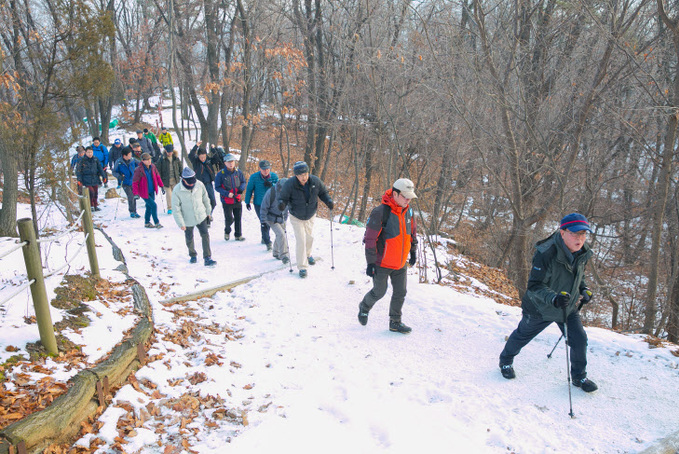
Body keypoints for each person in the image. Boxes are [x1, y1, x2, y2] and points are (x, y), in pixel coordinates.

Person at [498, 213, 597, 393]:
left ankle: (579, 376)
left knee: (579, 339)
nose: (580, 239)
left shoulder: (583, 252)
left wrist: (583, 289)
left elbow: (578, 276)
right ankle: (505, 361)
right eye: (575, 234)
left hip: (567, 305)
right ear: (562, 233)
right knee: (522, 335)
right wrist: (553, 298)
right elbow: (534, 286)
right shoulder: (546, 253)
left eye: (583, 234)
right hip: (540, 307)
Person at [358, 178, 418, 334]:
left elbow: (412, 233)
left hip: (400, 263)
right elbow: (370, 239)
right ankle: (364, 307)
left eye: (410, 197)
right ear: (396, 194)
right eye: (405, 196)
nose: (408, 200)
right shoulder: (380, 212)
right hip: (382, 263)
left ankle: (395, 322)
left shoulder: (409, 212)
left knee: (400, 292)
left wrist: (413, 251)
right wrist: (371, 263)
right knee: (379, 291)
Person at [277, 161, 333, 278]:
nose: (304, 177)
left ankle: (308, 254)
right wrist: (282, 204)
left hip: (310, 214)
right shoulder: (290, 184)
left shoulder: (315, 181)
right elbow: (283, 197)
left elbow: (323, 192)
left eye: (306, 174)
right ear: (296, 175)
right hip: (296, 216)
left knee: (309, 237)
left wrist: (328, 201)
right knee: (301, 240)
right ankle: (302, 267)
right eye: (301, 175)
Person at [172, 167, 216, 267]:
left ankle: (207, 257)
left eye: (193, 181)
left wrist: (208, 212)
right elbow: (176, 209)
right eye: (189, 182)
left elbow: (205, 199)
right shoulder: (177, 190)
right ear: (183, 180)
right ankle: (192, 254)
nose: (192, 184)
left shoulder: (199, 185)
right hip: (187, 219)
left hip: (201, 216)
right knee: (189, 237)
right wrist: (181, 223)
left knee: (205, 235)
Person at [245, 160, 279, 250]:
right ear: (260, 169)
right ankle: (267, 241)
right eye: (263, 169)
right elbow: (249, 189)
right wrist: (247, 202)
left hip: (271, 203)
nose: (266, 171)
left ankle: (264, 238)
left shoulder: (274, 176)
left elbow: (279, 188)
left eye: (267, 169)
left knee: (269, 221)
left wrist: (272, 184)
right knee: (264, 221)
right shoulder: (254, 177)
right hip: (259, 203)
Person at [214, 153, 246, 241]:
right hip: (226, 201)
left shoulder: (238, 172)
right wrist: (226, 193)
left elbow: (243, 181)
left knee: (238, 218)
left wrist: (241, 189)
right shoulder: (221, 174)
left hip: (237, 199)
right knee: (229, 218)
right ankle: (227, 231)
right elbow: (217, 187)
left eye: (232, 161)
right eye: (229, 162)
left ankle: (238, 235)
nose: (231, 164)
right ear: (225, 163)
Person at [260, 178, 290, 264]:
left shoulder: (288, 193)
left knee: (281, 234)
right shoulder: (271, 193)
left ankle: (276, 252)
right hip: (271, 218)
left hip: (282, 218)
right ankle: (284, 255)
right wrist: (263, 221)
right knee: (281, 234)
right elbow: (263, 207)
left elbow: (289, 206)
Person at [132, 152, 165, 228]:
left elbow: (157, 177)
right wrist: (136, 193)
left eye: (150, 159)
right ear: (142, 161)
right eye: (147, 160)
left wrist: (161, 186)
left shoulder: (153, 167)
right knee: (153, 205)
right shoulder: (138, 170)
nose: (149, 161)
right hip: (144, 192)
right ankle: (157, 222)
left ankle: (147, 222)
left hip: (152, 190)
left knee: (149, 206)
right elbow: (135, 182)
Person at [76, 146, 107, 211]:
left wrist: (104, 176)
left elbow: (100, 168)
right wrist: (79, 179)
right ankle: (91, 205)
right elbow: (78, 170)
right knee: (91, 192)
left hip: (95, 178)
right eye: (88, 152)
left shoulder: (95, 159)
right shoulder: (82, 160)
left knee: (95, 193)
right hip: (86, 179)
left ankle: (95, 205)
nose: (90, 154)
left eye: (91, 152)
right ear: (85, 153)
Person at [189, 141, 216, 212]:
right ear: (198, 156)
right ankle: (203, 217)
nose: (203, 159)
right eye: (201, 157)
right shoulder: (195, 161)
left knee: (213, 202)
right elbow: (190, 155)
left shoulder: (209, 161)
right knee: (200, 202)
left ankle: (209, 214)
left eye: (204, 157)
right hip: (198, 184)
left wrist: (213, 149)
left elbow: (217, 158)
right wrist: (196, 146)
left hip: (208, 184)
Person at [113, 148, 140, 218]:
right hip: (125, 182)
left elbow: (140, 164)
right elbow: (114, 172)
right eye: (129, 154)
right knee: (130, 196)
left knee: (134, 196)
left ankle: (135, 211)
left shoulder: (133, 160)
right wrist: (119, 176)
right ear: (124, 156)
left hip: (133, 181)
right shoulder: (119, 162)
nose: (130, 155)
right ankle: (131, 211)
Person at [156, 146, 182, 214]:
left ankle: (177, 207)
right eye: (168, 152)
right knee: (169, 195)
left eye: (170, 152)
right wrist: (159, 180)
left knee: (176, 194)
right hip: (166, 180)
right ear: (165, 151)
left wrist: (182, 175)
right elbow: (158, 170)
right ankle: (170, 208)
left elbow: (180, 167)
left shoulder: (176, 158)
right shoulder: (162, 159)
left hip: (175, 179)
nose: (169, 153)